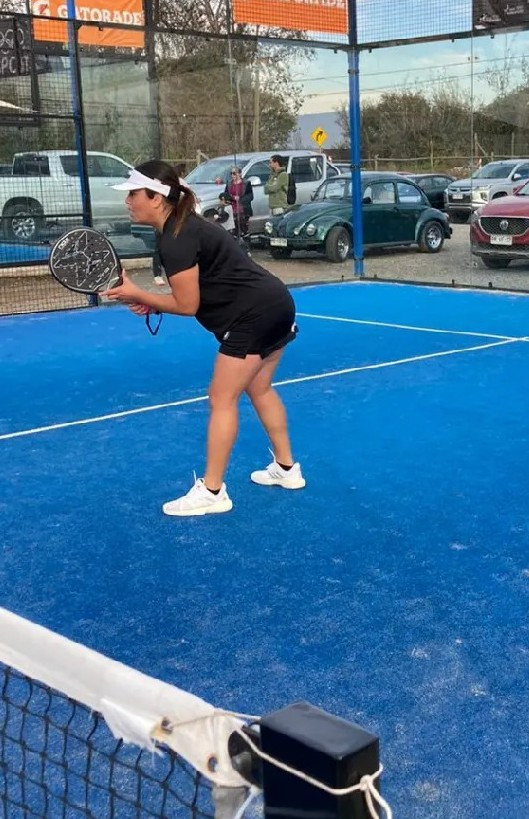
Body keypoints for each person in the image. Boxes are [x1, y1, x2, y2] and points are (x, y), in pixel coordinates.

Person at [102, 160, 305, 517]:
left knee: (221, 398)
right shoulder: (182, 227)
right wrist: (149, 301)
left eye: (134, 194)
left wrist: (138, 294)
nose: (128, 201)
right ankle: (287, 470)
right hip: (277, 304)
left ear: (156, 197)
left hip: (253, 315)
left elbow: (187, 304)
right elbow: (193, 294)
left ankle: (212, 491)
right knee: (259, 388)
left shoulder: (176, 237)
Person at [219, 166, 253, 238]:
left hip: (243, 209)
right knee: (234, 230)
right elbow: (226, 194)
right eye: (231, 173)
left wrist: (240, 199)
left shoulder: (246, 183)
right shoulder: (229, 183)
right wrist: (227, 199)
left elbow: (250, 196)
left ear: (239, 174)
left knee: (243, 228)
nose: (232, 175)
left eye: (234, 173)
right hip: (232, 209)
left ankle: (245, 241)